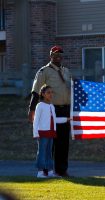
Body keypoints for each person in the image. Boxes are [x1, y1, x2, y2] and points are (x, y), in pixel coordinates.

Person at [28, 45, 72, 177]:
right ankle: (47, 169)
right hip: (51, 110)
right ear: (50, 56)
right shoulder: (44, 71)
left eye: (60, 55)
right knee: (50, 142)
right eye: (55, 54)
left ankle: (61, 170)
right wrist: (31, 109)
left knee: (63, 142)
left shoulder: (66, 71)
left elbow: (72, 89)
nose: (58, 57)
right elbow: (36, 91)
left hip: (66, 110)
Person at [33, 85, 69, 178]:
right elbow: (36, 120)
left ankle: (50, 171)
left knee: (49, 153)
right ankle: (40, 172)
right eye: (48, 92)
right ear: (43, 94)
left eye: (52, 92)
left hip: (51, 133)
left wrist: (66, 119)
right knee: (42, 152)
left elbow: (55, 120)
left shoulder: (51, 106)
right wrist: (36, 133)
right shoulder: (40, 105)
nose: (51, 94)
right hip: (42, 133)